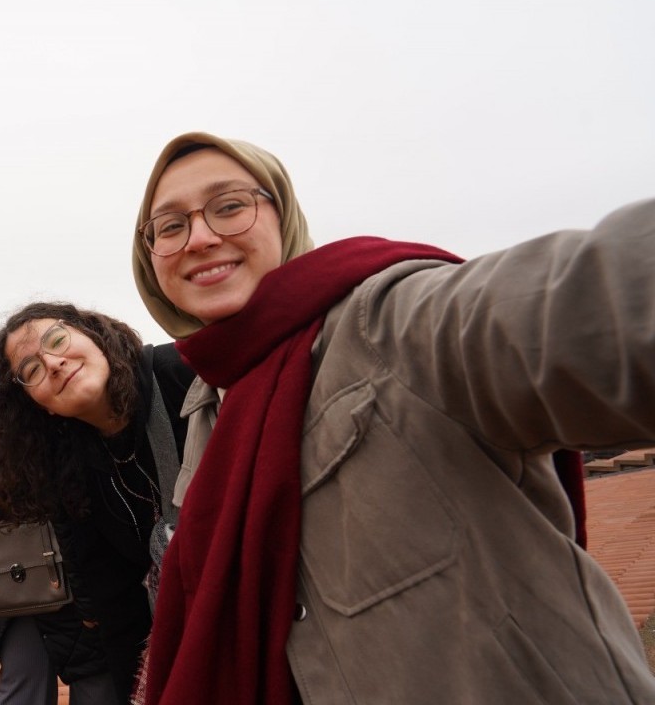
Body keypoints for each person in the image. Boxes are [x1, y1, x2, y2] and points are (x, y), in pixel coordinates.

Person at [129, 132, 655, 704]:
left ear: (283, 217)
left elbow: (579, 304)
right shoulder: (209, 403)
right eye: (170, 226)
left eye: (230, 206)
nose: (200, 238)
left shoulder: (385, 322)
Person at [0, 303, 194, 702]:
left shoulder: (182, 373)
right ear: (38, 404)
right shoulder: (70, 464)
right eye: (31, 370)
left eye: (57, 340)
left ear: (95, 336)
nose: (53, 363)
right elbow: (115, 599)